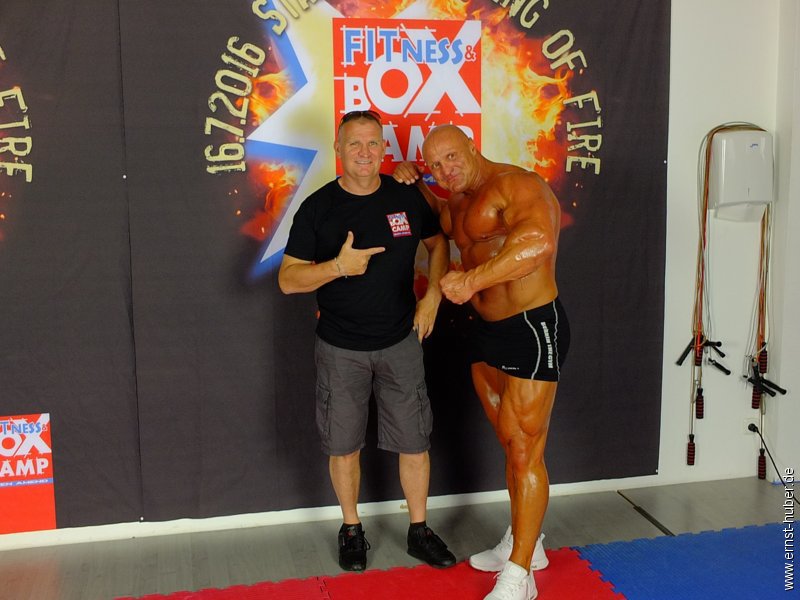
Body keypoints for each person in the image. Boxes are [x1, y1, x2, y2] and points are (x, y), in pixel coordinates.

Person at [393, 124, 570, 600]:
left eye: (452, 157)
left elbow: (537, 242)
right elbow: (444, 219)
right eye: (435, 165)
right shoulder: (456, 201)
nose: (446, 170)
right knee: (510, 443)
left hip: (531, 327)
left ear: (473, 146)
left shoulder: (517, 185)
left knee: (525, 450)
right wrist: (415, 182)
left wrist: (471, 281)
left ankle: (519, 576)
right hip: (485, 332)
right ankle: (527, 543)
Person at [278, 110, 455, 573]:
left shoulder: (404, 196)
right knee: (343, 446)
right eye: (354, 143)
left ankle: (419, 530)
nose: (364, 152)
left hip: (401, 341)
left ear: (384, 149)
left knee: (415, 441)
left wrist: (432, 296)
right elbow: (288, 280)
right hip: (340, 348)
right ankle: (352, 529)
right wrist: (338, 267)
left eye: (373, 143)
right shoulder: (318, 208)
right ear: (338, 149)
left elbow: (439, 243)